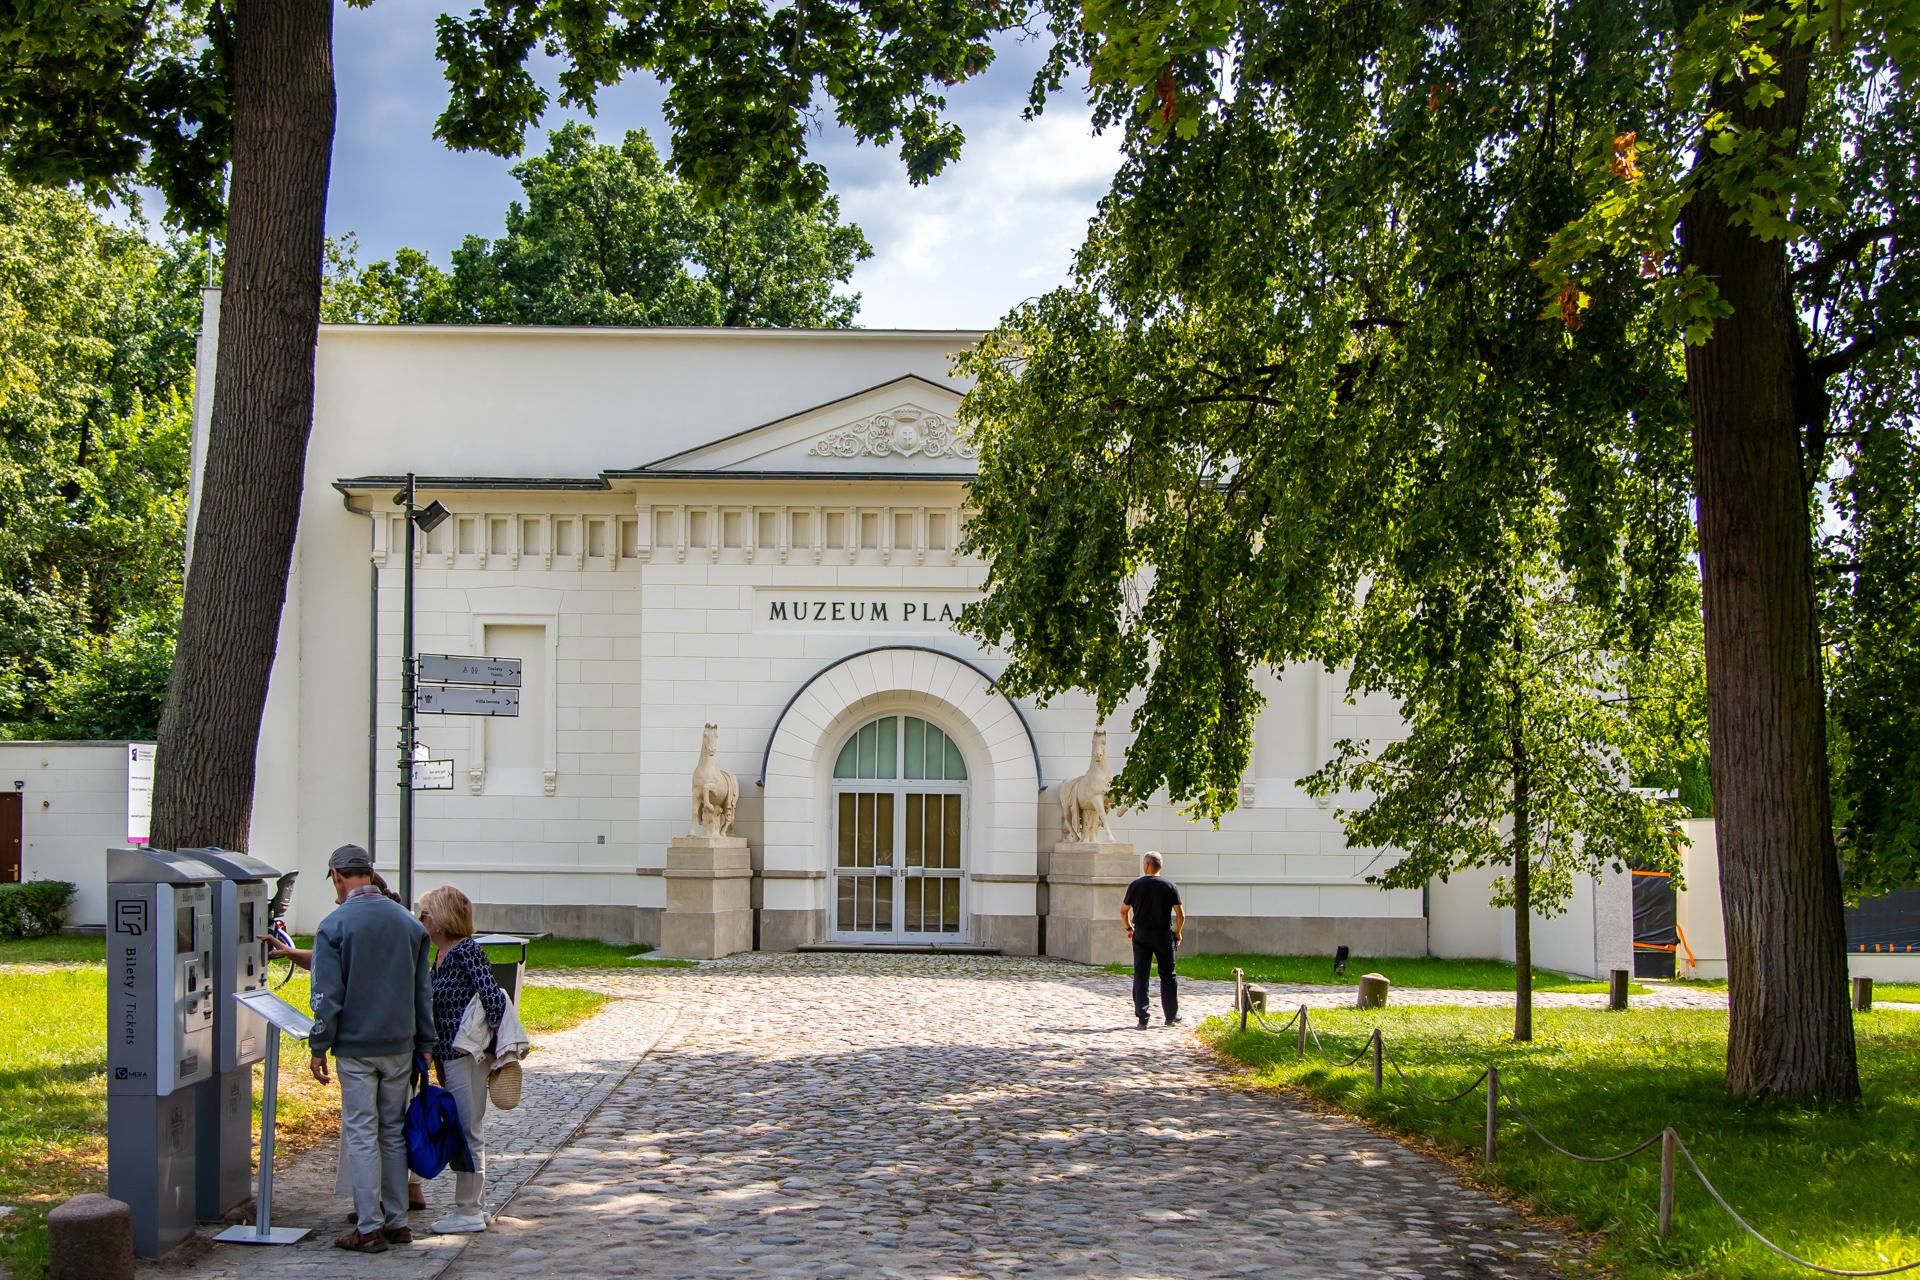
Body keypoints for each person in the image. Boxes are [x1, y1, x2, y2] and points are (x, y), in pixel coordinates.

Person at [308, 844, 435, 1253]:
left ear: (339, 876)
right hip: (399, 1044)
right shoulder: (408, 923)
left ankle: (369, 1226)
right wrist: (426, 1042)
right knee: (393, 1131)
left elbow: (328, 996)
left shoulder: (335, 925)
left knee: (362, 1132)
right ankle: (398, 1221)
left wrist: (319, 1044)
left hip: (356, 1045)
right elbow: (423, 992)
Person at [412, 885, 505, 1235]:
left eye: (426, 913)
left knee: (468, 1130)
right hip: (446, 1055)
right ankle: (473, 1205)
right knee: (462, 1128)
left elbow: (493, 1000)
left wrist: (476, 1044)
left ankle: (468, 1209)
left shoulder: (467, 952)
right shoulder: (438, 955)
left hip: (464, 1056)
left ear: (442, 918)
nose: (422, 919)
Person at [1121, 850, 1185, 1029]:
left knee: (1141, 975)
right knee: (1168, 975)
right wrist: (1177, 933)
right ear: (1160, 866)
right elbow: (1180, 914)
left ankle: (1143, 1017)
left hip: (1141, 933)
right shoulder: (1169, 886)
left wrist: (1128, 928)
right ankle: (1171, 1015)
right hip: (1163, 934)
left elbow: (1123, 910)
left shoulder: (1135, 885)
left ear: (1147, 865)